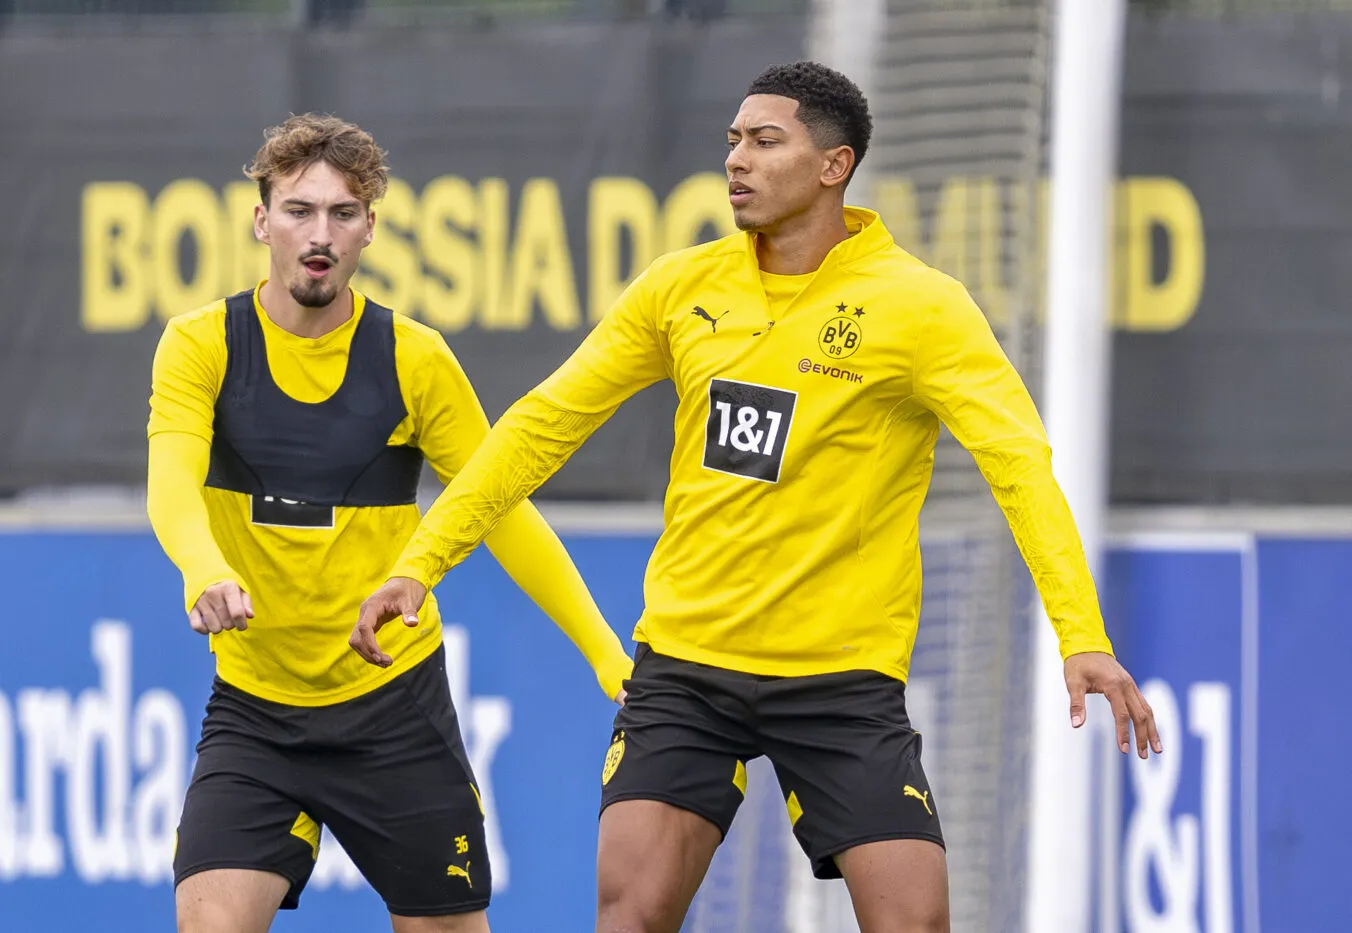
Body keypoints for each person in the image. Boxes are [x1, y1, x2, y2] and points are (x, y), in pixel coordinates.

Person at [350, 62, 1160, 933]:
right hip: (687, 666)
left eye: (765, 141)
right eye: (734, 139)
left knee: (915, 922)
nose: (736, 158)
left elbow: (1020, 466)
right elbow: (542, 425)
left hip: (841, 675)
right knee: (630, 912)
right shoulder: (682, 286)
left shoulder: (922, 308)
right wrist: (421, 563)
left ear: (834, 166)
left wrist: (1081, 634)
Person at [147, 113, 632, 933]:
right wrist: (204, 569)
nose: (320, 233)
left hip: (393, 708)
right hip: (256, 712)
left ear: (370, 227)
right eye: (299, 210)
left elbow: (499, 509)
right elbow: (169, 483)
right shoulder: (201, 345)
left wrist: (603, 651)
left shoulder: (415, 358)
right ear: (261, 221)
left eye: (343, 213)